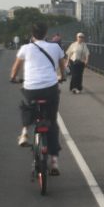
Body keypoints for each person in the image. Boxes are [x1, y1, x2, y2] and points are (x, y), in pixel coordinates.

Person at [10, 21, 66, 170]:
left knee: (27, 106)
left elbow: (16, 67)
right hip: (50, 88)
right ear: (46, 33)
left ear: (32, 34)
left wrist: (13, 78)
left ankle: (24, 133)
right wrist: (62, 76)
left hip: (31, 88)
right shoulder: (55, 47)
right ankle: (54, 160)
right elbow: (62, 66)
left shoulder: (25, 48)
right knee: (52, 122)